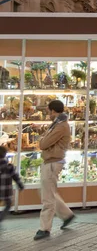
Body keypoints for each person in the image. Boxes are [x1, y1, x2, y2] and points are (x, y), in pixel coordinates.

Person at [34, 100, 76, 240]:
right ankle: (66, 215)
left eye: (48, 111)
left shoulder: (60, 126)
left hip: (53, 162)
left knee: (48, 197)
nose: (47, 113)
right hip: (51, 161)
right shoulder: (58, 124)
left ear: (53, 111)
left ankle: (44, 228)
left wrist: (41, 140)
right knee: (47, 192)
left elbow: (44, 143)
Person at [0, 146, 24, 225]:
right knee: (8, 204)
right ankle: (1, 217)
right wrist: (20, 185)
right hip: (6, 191)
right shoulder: (9, 166)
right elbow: (15, 177)